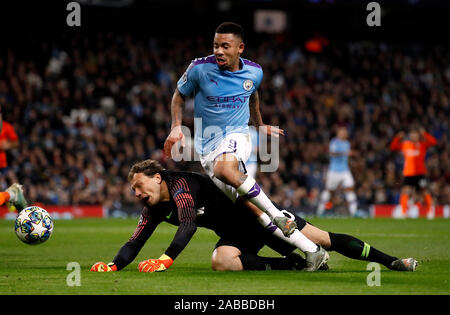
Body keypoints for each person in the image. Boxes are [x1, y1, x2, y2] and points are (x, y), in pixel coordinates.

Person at [162, 22, 326, 261]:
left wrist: (259, 125)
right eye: (215, 45)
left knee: (225, 169)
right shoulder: (198, 68)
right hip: (206, 147)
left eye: (225, 46)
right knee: (250, 208)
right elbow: (179, 95)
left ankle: (277, 214)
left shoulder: (254, 71)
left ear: (240, 48)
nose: (218, 50)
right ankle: (312, 251)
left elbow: (252, 95)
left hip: (237, 134)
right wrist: (176, 127)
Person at [90, 159, 417, 273]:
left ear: (156, 177)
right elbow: (136, 240)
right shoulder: (152, 206)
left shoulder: (180, 185)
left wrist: (166, 259)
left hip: (259, 216)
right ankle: (291, 265)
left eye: (139, 185)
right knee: (221, 260)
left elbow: (188, 222)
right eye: (133, 189)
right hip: (238, 233)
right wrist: (115, 264)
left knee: (323, 240)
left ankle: (391, 261)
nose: (136, 193)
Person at [390, 127, 437, 219]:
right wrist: (398, 137)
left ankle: (430, 211)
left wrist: (425, 134)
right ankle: (403, 212)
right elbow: (393, 147)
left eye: (415, 134)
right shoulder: (405, 144)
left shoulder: (422, 144)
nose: (413, 136)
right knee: (405, 191)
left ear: (418, 136)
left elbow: (433, 142)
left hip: (420, 173)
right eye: (411, 134)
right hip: (408, 173)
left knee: (424, 192)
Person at [317, 126, 358, 216]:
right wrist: (345, 153)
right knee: (329, 191)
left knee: (350, 188)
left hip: (345, 170)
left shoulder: (347, 143)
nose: (345, 134)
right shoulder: (334, 142)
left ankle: (354, 213)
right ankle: (319, 212)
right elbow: (332, 153)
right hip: (334, 171)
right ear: (339, 133)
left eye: (345, 132)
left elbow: (346, 158)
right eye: (343, 132)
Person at [0, 106, 27, 212]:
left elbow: (16, 143)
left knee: (13, 182)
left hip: (3, 163)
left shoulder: (6, 127)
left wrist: (8, 146)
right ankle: (11, 198)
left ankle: (18, 206)